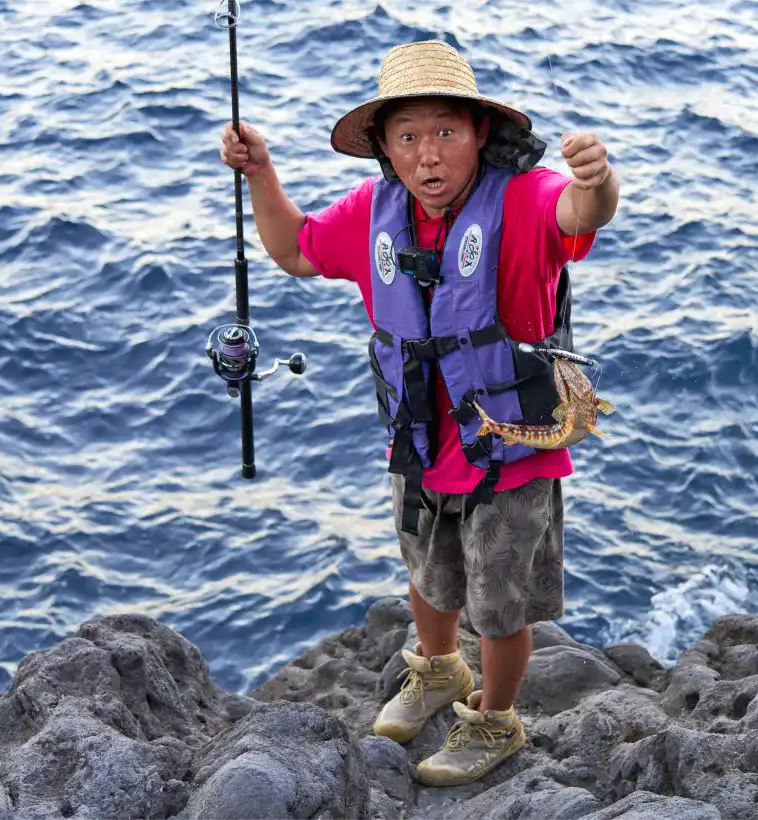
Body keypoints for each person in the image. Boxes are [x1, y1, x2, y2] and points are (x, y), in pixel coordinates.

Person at [219, 39, 619, 787]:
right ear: (384, 149)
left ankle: (495, 720)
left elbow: (580, 211)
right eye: (408, 136)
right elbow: (295, 250)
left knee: (500, 606)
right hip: (421, 439)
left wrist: (598, 179)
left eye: (445, 132)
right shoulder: (376, 211)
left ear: (479, 134)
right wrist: (260, 172)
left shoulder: (527, 199)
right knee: (428, 576)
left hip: (513, 446)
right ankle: (438, 669)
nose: (428, 154)